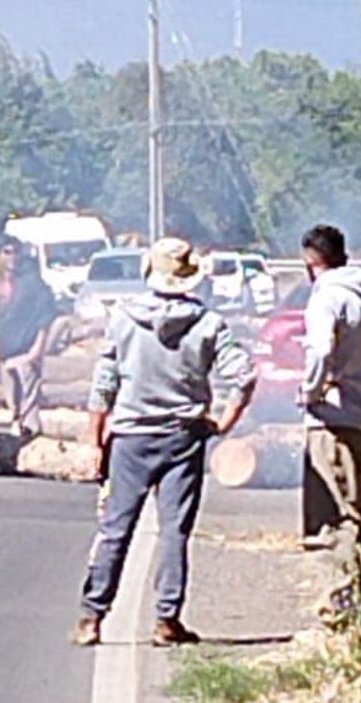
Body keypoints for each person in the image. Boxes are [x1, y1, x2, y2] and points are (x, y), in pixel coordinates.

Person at [73, 237, 256, 648]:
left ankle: (91, 616)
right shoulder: (208, 324)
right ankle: (166, 619)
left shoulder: (122, 318)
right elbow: (243, 375)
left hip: (131, 438)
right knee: (174, 530)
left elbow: (105, 381)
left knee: (116, 527)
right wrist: (225, 420)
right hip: (182, 436)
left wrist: (93, 437)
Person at [298, 225, 361, 613]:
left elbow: (318, 350)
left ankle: (341, 601)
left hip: (331, 417)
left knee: (334, 514)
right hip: (359, 414)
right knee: (355, 507)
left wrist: (310, 392)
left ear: (312, 261)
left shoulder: (326, 298)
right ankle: (353, 596)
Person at [0, 238, 66, 440]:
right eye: (6, 252)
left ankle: (32, 434)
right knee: (12, 396)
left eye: (15, 252)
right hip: (4, 348)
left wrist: (39, 347)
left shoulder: (32, 281)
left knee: (29, 396)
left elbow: (45, 315)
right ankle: (15, 425)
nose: (11, 257)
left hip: (27, 347)